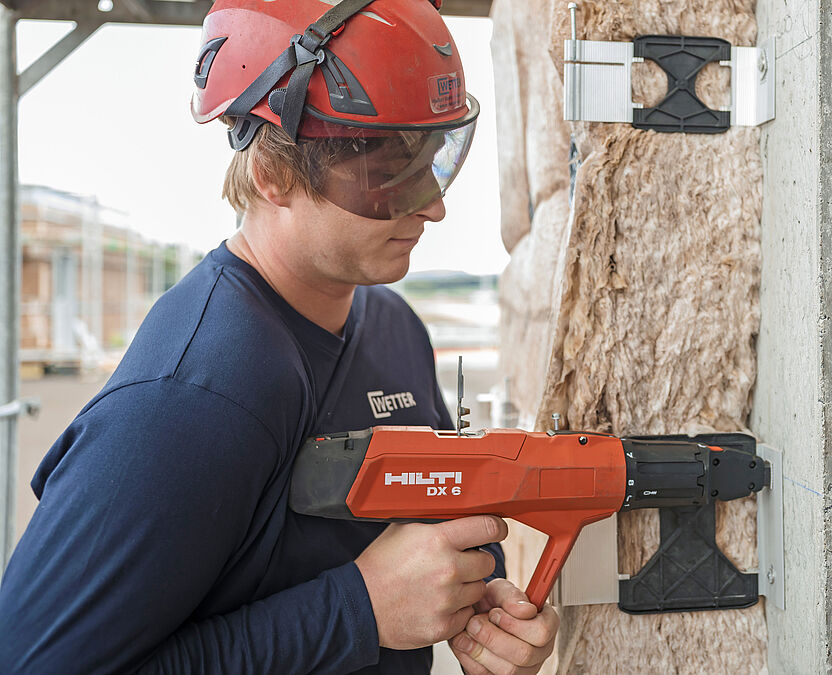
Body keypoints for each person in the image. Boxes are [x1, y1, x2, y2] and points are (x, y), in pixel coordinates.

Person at [0, 0, 559, 672]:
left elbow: (428, 510)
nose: (433, 205)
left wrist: (481, 600)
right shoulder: (193, 394)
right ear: (273, 175)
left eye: (433, 157)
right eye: (386, 172)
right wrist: (360, 609)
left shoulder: (394, 328)